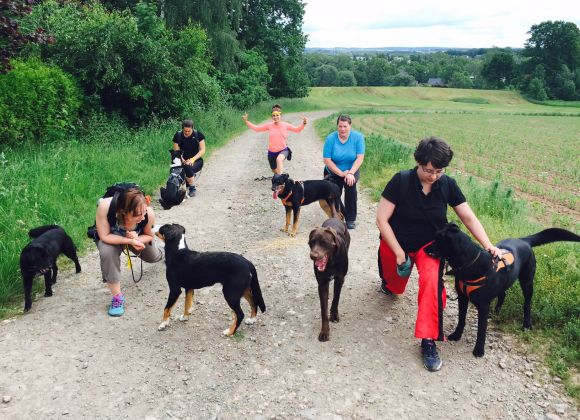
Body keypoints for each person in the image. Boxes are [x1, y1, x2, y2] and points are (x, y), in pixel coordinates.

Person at [375, 136, 502, 372]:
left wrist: (488, 245)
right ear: (418, 162)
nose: (433, 176)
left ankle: (428, 339)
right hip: (397, 243)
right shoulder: (400, 181)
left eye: (439, 171)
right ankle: (388, 283)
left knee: (432, 284)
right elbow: (381, 220)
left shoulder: (448, 184)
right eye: (428, 170)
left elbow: (468, 216)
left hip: (429, 245)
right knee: (396, 286)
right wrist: (399, 252)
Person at [95, 187, 163, 316]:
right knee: (106, 251)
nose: (143, 218)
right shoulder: (105, 206)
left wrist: (136, 239)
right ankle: (117, 298)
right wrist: (128, 241)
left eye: (144, 213)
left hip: (137, 238)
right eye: (138, 214)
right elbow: (104, 236)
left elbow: (149, 235)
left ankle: (164, 252)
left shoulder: (148, 213)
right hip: (111, 238)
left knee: (153, 256)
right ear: (123, 212)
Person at [322, 114, 365, 230]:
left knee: (350, 187)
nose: (342, 129)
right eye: (340, 126)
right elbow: (327, 160)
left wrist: (350, 173)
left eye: (345, 126)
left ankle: (350, 218)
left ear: (350, 126)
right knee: (334, 192)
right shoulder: (331, 138)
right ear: (337, 126)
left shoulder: (358, 137)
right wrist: (341, 173)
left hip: (352, 169)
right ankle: (337, 217)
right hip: (333, 170)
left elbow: (360, 158)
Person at [243, 104, 308, 174]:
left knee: (279, 160)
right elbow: (257, 129)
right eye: (273, 115)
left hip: (283, 150)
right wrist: (246, 121)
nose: (275, 117)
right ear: (272, 117)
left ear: (281, 116)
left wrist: (304, 123)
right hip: (271, 152)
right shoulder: (269, 125)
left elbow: (297, 130)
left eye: (277, 115)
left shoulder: (286, 125)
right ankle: (279, 176)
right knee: (274, 170)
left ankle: (280, 181)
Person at [173, 119, 206, 197]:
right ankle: (187, 179)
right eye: (185, 131)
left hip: (197, 160)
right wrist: (181, 159)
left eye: (189, 131)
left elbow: (203, 150)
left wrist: (192, 159)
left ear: (192, 128)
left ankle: (192, 188)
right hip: (182, 159)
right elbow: (176, 152)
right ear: (182, 129)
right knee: (176, 167)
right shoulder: (178, 135)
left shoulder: (198, 135)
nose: (187, 133)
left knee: (187, 167)